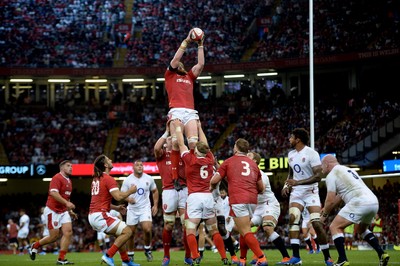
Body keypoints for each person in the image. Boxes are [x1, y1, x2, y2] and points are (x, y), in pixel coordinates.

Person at [174, 119, 229, 265]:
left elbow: (181, 144)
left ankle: (195, 255)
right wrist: (199, 127)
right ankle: (224, 257)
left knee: (191, 229)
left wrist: (178, 128)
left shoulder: (190, 159)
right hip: (208, 197)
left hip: (194, 197)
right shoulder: (210, 159)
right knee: (214, 230)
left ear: (196, 151)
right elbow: (206, 145)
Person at [320, 154, 390, 266]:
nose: (321, 168)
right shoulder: (348, 170)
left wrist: (324, 215)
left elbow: (330, 199)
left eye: (321, 165)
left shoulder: (331, 175)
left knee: (335, 226)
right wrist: (327, 207)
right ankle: (382, 253)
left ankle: (342, 259)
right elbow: (340, 196)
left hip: (359, 201)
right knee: (361, 230)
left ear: (327, 164)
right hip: (373, 201)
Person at [210, 138, 268, 266]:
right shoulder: (253, 164)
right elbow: (261, 188)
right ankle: (242, 259)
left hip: (238, 199)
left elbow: (214, 180)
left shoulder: (229, 161)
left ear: (236, 148)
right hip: (252, 200)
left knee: (245, 231)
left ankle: (261, 258)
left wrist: (211, 187)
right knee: (243, 231)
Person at [281, 128, 333, 266]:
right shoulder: (291, 154)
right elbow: (291, 174)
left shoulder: (312, 153)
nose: (289, 139)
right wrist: (286, 186)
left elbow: (318, 176)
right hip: (296, 193)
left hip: (311, 192)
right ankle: (296, 257)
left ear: (298, 139)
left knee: (316, 223)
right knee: (293, 218)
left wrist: (297, 182)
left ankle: (327, 257)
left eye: (291, 137)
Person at [164, 28, 205, 184]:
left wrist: (200, 44)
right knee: (175, 142)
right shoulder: (169, 75)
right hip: (176, 112)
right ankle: (175, 178)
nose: (180, 64)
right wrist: (187, 41)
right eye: (178, 64)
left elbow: (200, 64)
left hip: (190, 112)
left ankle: (193, 173)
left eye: (182, 64)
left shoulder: (189, 76)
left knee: (194, 143)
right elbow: (175, 60)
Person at [88, 154, 140, 266]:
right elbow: (118, 197)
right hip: (100, 215)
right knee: (128, 231)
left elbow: (102, 200)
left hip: (93, 215)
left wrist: (116, 208)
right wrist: (130, 191)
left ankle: (125, 261)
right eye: (108, 159)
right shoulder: (108, 178)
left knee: (119, 234)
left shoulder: (97, 179)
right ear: (106, 165)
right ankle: (108, 255)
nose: (111, 160)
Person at [154, 129, 192, 265]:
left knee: (187, 225)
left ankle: (188, 256)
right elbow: (156, 147)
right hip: (169, 190)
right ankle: (166, 256)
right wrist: (166, 133)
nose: (173, 138)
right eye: (171, 138)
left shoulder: (182, 153)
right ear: (166, 143)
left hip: (184, 190)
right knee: (169, 224)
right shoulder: (162, 155)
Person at [29, 160, 77, 265]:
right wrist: (67, 203)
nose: (71, 168)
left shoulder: (69, 181)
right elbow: (53, 193)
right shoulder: (57, 178)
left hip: (63, 210)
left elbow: (66, 199)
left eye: (71, 166)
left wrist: (70, 211)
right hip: (52, 210)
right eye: (68, 166)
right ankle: (35, 245)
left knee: (68, 232)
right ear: (62, 168)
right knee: (53, 237)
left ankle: (61, 259)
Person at [247, 151, 290, 265]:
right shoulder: (246, 175)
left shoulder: (261, 174)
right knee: (244, 229)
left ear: (255, 161)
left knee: (267, 228)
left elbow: (261, 189)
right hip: (257, 207)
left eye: (249, 156)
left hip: (269, 204)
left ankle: (286, 257)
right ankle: (259, 255)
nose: (246, 157)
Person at [121, 160, 159, 263]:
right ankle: (131, 254)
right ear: (133, 168)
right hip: (132, 209)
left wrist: (155, 205)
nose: (140, 166)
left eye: (141, 165)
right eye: (137, 165)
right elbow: (121, 194)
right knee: (131, 233)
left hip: (145, 208)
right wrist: (128, 199)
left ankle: (147, 249)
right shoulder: (128, 180)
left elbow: (155, 191)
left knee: (147, 229)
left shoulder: (149, 178)